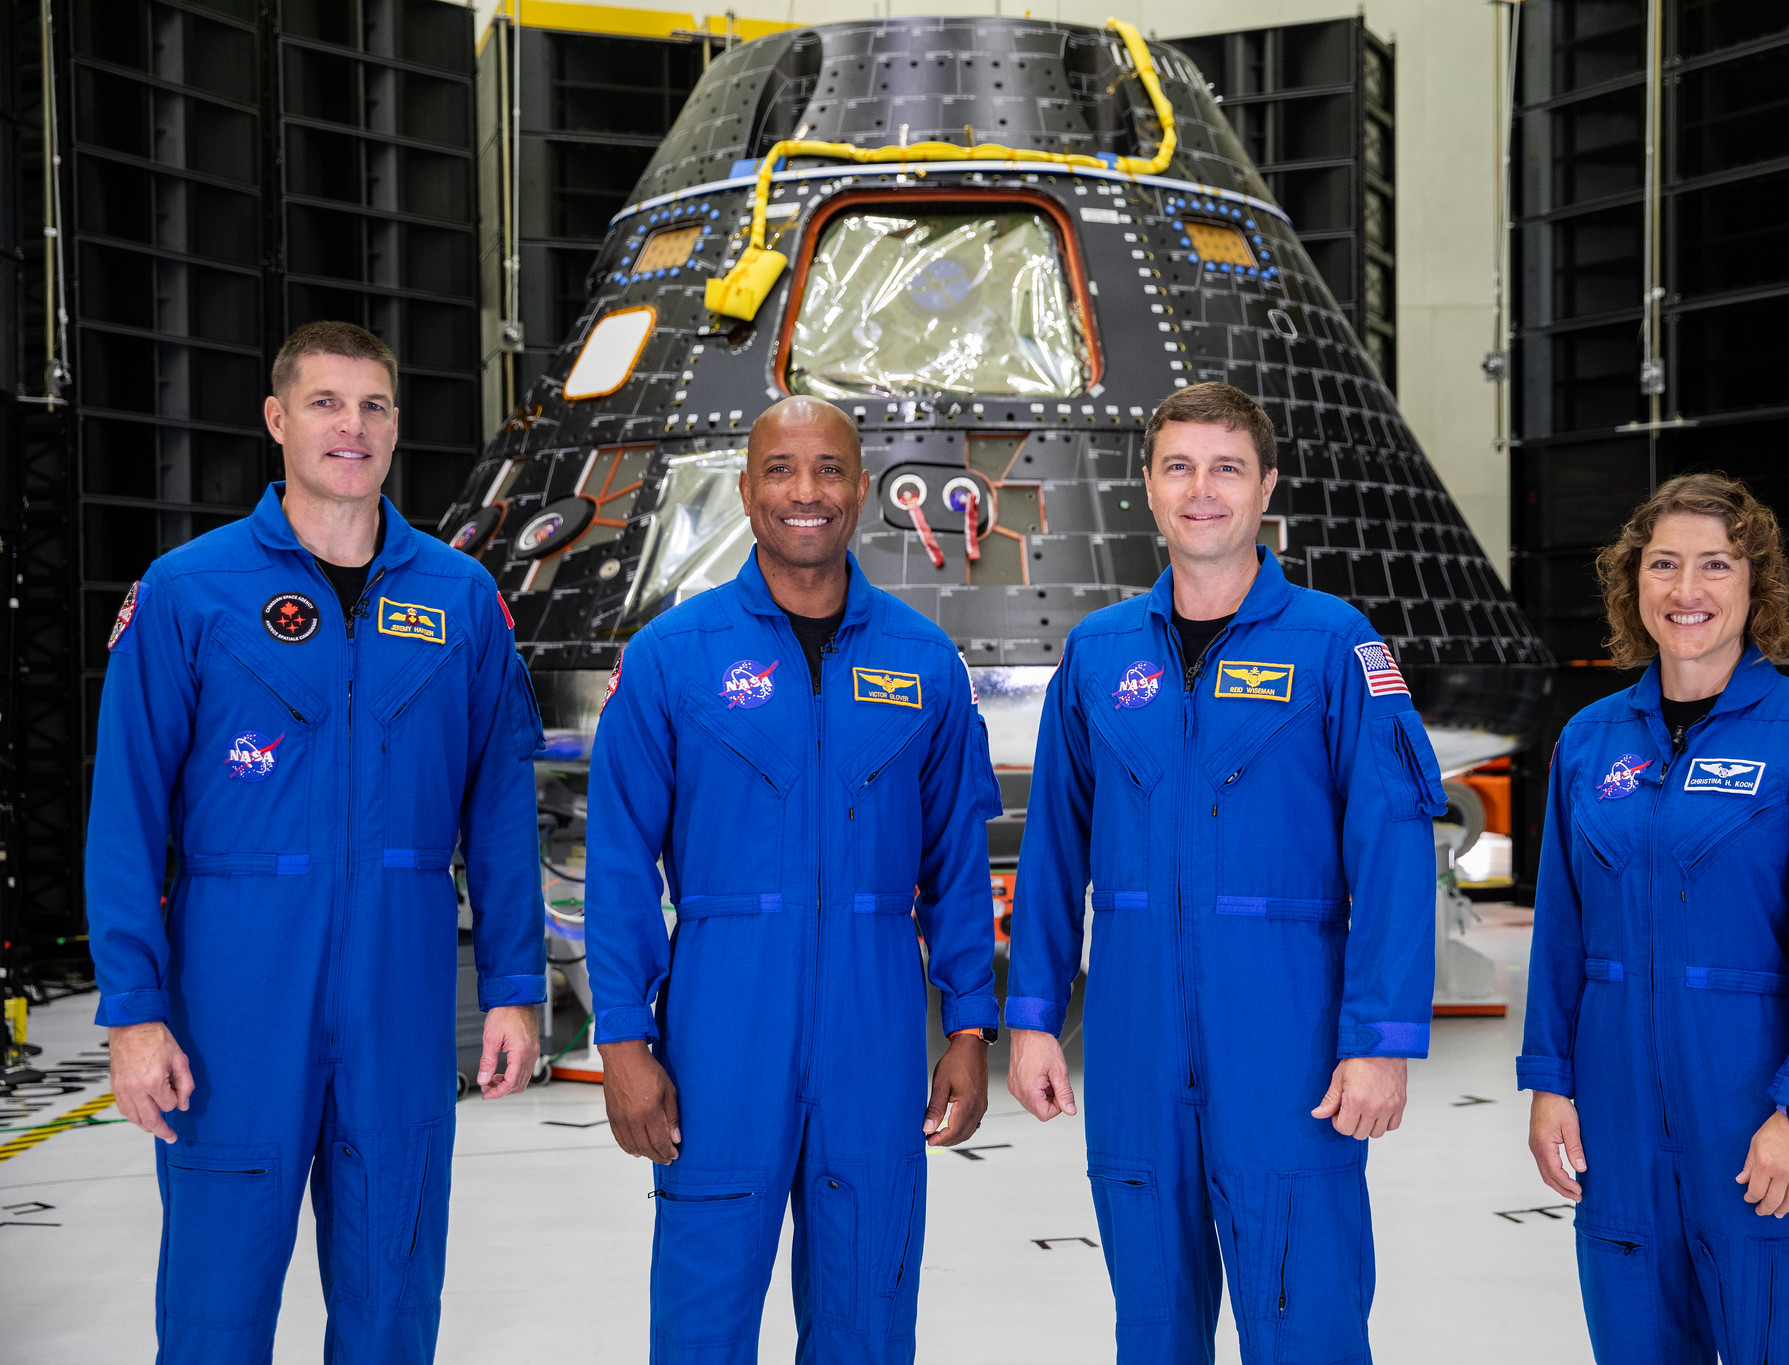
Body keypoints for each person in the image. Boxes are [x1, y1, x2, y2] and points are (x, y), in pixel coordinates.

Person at [86, 320, 547, 1364]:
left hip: (399, 994)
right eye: (327, 403)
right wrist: (132, 1013)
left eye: (374, 405)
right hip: (234, 1000)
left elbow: (500, 815)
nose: (352, 426)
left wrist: (516, 984)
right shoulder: (188, 593)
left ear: (396, 428)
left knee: (392, 1300)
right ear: (277, 420)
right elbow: (125, 817)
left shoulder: (461, 599)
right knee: (214, 1308)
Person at [1004, 382, 1446, 1364]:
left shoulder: (1336, 646)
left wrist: (1377, 1038)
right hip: (1132, 1045)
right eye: (1178, 468)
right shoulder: (1095, 654)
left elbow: (1390, 849)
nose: (1201, 491)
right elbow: (1052, 851)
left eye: (1225, 468)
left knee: (1307, 1317)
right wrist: (1032, 1015)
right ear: (1148, 491)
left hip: (1285, 1044)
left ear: (1265, 488)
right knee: (1152, 1323)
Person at [584, 395, 1003, 1365]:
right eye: (780, 470)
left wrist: (969, 1025)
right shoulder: (669, 660)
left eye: (826, 470)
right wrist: (622, 1038)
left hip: (876, 1019)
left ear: (861, 490)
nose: (804, 492)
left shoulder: (921, 661)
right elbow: (616, 864)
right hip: (721, 1018)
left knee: (867, 1303)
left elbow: (953, 860)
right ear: (746, 490)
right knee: (703, 1308)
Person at [1519, 473, 1789, 1364]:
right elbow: (1560, 930)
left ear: (1755, 585)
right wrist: (1550, 1081)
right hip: (1615, 1111)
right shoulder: (1589, 740)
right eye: (1663, 565)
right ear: (1633, 585)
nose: (1686, 590)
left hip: (1750, 1109)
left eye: (1715, 565)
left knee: (1783, 1339)